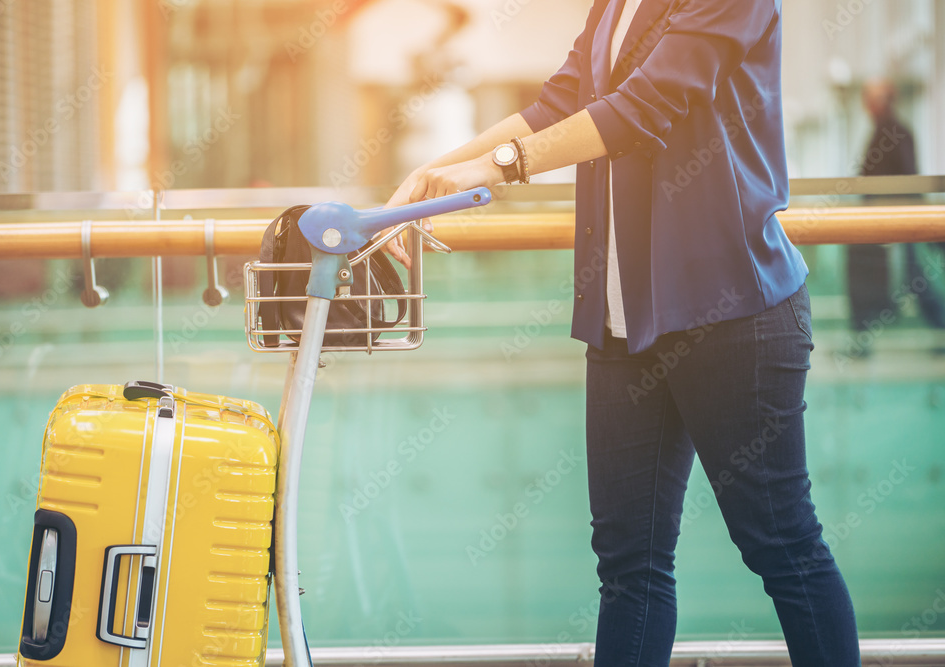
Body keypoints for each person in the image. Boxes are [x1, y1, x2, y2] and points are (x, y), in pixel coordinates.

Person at [384, 0, 861, 665]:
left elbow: (641, 108)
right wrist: (424, 182)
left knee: (782, 546)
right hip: (623, 327)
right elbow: (556, 105)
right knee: (628, 567)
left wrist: (495, 167)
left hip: (733, 314)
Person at [846, 78, 944, 348]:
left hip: (893, 217)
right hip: (890, 217)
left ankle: (865, 333)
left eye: (871, 99)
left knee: (910, 275)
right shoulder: (889, 129)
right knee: (912, 276)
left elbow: (905, 179)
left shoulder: (892, 131)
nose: (867, 105)